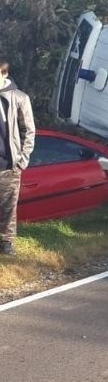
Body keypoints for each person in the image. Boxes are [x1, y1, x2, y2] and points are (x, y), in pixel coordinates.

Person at [0, 57, 35, 256]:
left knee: (8, 206)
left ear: (4, 74)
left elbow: (28, 131)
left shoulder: (19, 98)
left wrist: (22, 160)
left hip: (8, 164)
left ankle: (6, 242)